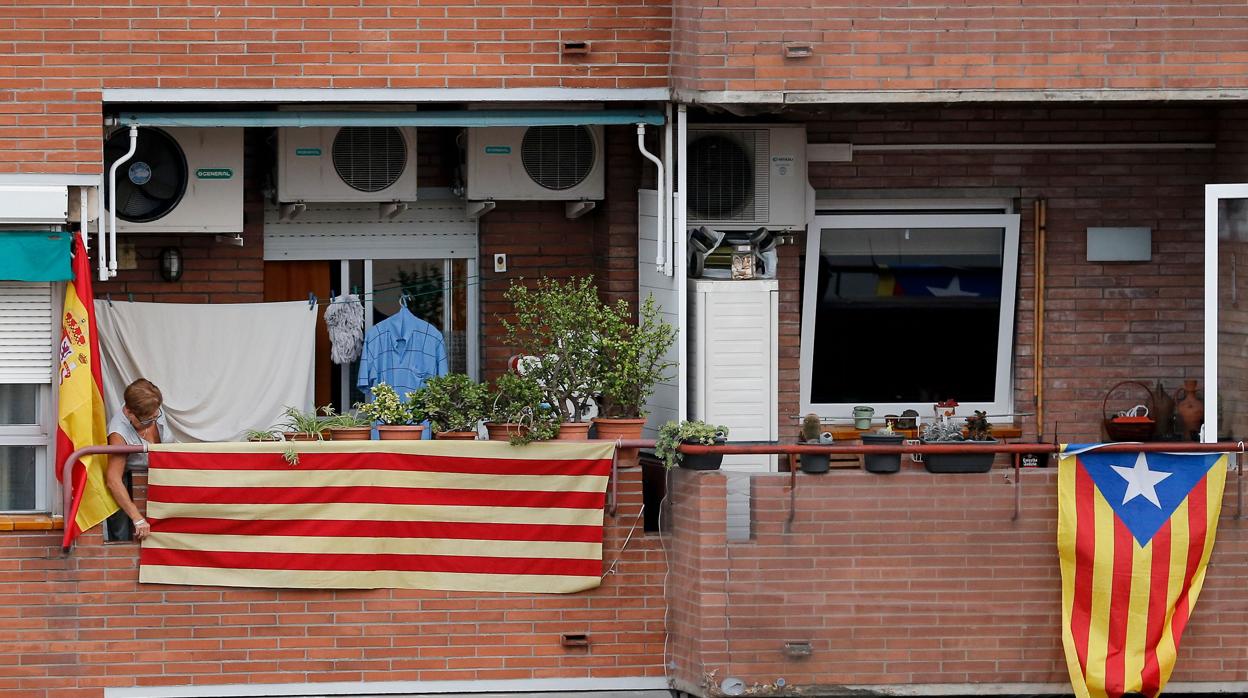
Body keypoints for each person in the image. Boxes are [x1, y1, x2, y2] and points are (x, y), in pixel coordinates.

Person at [104, 378, 174, 542]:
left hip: (163, 474)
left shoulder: (151, 406)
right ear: (129, 412)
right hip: (133, 483)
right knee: (122, 532)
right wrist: (137, 518)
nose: (152, 423)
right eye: (146, 420)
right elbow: (113, 480)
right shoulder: (118, 434)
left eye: (155, 417)